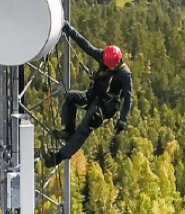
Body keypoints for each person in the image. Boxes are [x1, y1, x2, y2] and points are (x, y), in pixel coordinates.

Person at [46, 22, 133, 164]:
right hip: (93, 95)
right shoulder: (104, 57)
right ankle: (68, 131)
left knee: (85, 126)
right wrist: (70, 30)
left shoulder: (124, 74)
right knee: (71, 97)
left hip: (105, 107)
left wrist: (123, 119)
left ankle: (57, 157)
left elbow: (128, 98)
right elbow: (86, 46)